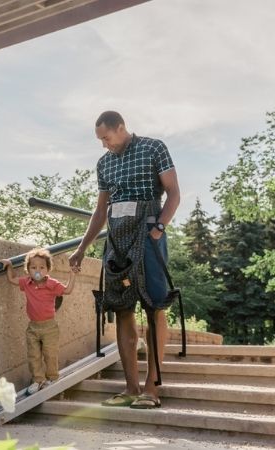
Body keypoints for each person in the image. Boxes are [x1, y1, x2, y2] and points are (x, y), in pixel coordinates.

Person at [69, 111, 180, 409]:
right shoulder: (104, 163)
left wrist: (159, 228)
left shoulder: (153, 148)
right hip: (117, 237)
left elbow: (173, 193)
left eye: (106, 137)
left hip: (148, 233)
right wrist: (82, 248)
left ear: (121, 127)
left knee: (155, 304)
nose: (104, 145)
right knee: (121, 307)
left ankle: (151, 388)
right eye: (100, 140)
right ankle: (130, 388)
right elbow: (101, 210)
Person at [0, 248, 77, 394]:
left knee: (50, 354)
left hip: (49, 327)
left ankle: (52, 378)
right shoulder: (26, 283)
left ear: (48, 269)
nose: (37, 270)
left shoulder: (52, 284)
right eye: (33, 267)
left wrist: (72, 274)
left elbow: (67, 290)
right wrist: (9, 265)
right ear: (28, 269)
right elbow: (12, 279)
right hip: (33, 327)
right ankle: (37, 380)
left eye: (42, 267)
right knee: (33, 355)